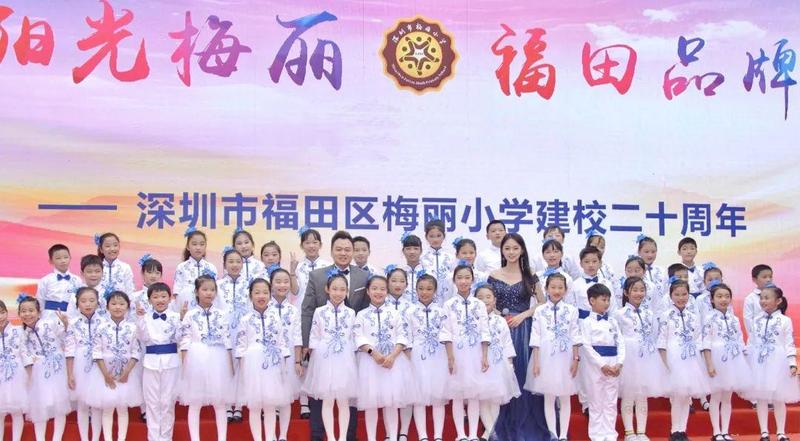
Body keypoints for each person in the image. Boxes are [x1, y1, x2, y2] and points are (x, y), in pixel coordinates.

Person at [301, 230, 369, 441]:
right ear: (331, 251)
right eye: (339, 249)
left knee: (348, 397)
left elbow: (366, 311)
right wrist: (307, 344)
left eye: (347, 249)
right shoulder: (317, 275)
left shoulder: (363, 276)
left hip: (351, 347)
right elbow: (307, 310)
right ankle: (319, 435)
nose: (343, 253)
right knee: (322, 395)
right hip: (324, 350)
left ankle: (348, 436)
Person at [487, 233, 549, 441]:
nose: (511, 252)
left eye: (515, 248)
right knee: (504, 375)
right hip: (501, 329)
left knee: (522, 374)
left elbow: (542, 303)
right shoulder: (494, 275)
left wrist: (523, 315)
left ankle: (527, 425)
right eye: (507, 248)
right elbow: (487, 302)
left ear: (522, 250)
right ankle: (498, 425)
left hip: (523, 330)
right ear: (502, 251)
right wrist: (499, 316)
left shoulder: (530, 275)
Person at [745, 285, 799, 441]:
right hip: (759, 362)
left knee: (778, 398)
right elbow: (752, 342)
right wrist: (747, 361)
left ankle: (781, 432)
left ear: (778, 301)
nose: (763, 301)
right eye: (761, 298)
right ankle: (764, 432)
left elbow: (789, 343)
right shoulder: (756, 320)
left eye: (767, 298)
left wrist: (792, 362)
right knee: (761, 397)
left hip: (778, 361)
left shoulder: (785, 320)